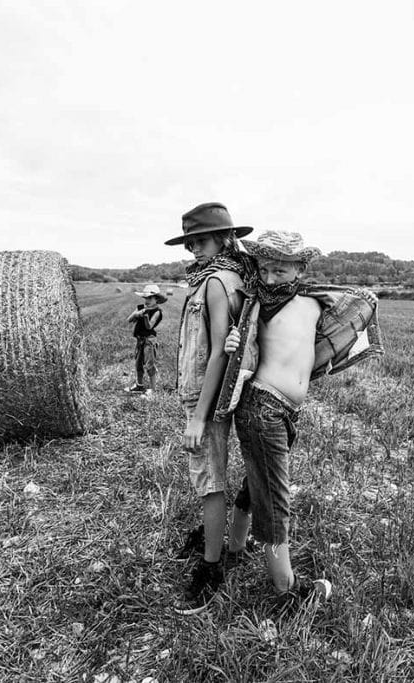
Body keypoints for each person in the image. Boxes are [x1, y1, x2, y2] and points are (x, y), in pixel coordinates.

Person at [222, 229, 337, 612]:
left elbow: (348, 318)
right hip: (262, 405)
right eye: (265, 268)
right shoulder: (254, 304)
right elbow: (235, 340)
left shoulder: (314, 301)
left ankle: (234, 549)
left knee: (256, 483)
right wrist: (232, 343)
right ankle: (287, 593)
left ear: (301, 267)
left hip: (284, 409)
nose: (270, 278)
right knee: (274, 497)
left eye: (281, 270)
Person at [165, 202, 253, 614]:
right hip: (221, 393)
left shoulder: (216, 282)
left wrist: (199, 415)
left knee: (209, 482)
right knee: (214, 477)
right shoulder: (234, 276)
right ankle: (220, 541)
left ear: (223, 238)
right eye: (190, 243)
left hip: (207, 395)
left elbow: (219, 350)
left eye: (200, 240)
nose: (193, 249)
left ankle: (211, 570)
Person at [125, 284, 167, 395]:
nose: (147, 300)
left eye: (150, 298)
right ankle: (139, 386)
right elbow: (129, 319)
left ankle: (153, 390)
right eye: (145, 298)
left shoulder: (157, 312)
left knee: (149, 365)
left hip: (149, 340)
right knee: (138, 364)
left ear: (156, 299)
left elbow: (149, 326)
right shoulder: (140, 308)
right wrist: (136, 314)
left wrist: (145, 317)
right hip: (140, 340)